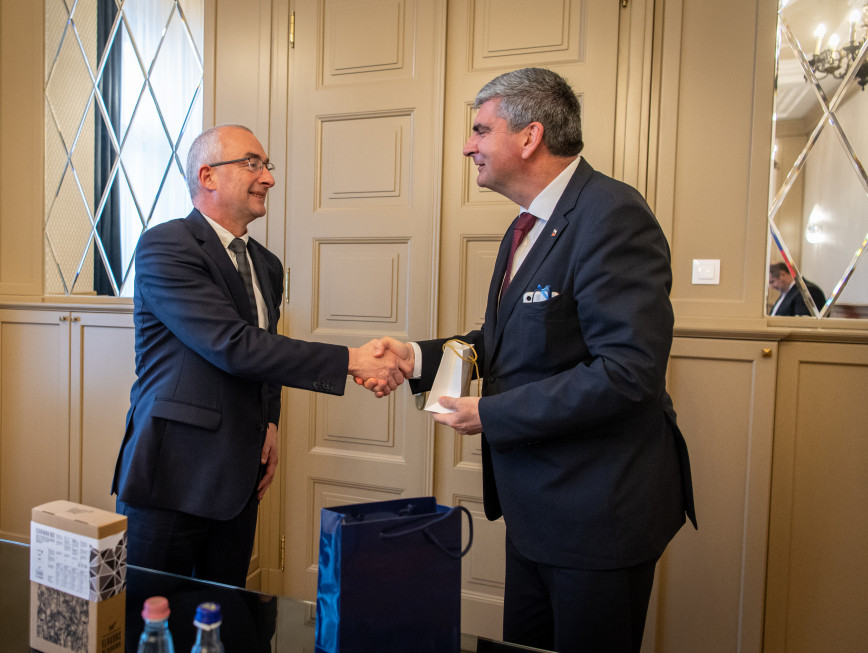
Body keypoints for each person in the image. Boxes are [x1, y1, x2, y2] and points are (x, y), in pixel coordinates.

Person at [364, 68, 696, 653]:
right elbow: (510, 338)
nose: (468, 145)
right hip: (539, 508)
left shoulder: (612, 215)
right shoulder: (526, 226)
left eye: (479, 129)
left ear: (529, 136)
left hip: (598, 511)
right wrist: (417, 356)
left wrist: (491, 414)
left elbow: (628, 372)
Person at [112, 124, 411, 588]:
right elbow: (232, 345)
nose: (268, 177)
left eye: (266, 165)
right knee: (153, 620)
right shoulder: (165, 246)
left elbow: (264, 351)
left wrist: (270, 421)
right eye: (252, 164)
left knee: (224, 616)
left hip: (239, 478)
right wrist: (352, 360)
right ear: (208, 176)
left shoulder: (266, 264)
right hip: (172, 475)